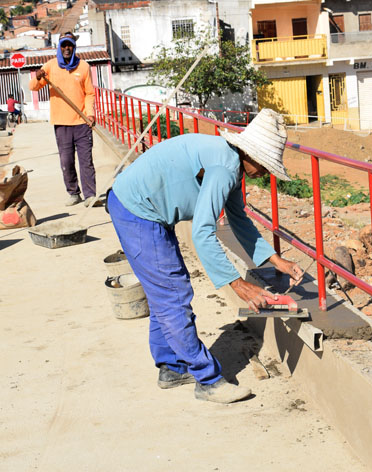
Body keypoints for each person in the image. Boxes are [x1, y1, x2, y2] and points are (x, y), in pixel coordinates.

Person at [107, 109, 304, 404]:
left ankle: (172, 368)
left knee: (166, 292)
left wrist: (276, 260)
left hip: (143, 209)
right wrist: (238, 284)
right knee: (172, 294)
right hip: (137, 212)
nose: (265, 173)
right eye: (265, 164)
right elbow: (202, 232)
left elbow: (239, 221)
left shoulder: (231, 163)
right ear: (250, 154)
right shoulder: (225, 167)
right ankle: (208, 381)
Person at [30, 32, 98, 207]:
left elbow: (90, 93)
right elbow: (34, 87)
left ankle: (90, 195)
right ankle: (74, 193)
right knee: (66, 161)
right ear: (59, 48)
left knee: (86, 161)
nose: (67, 48)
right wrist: (38, 77)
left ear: (74, 47)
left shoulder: (83, 67)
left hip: (82, 122)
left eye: (70, 45)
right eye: (64, 45)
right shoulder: (50, 66)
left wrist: (90, 114)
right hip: (61, 124)